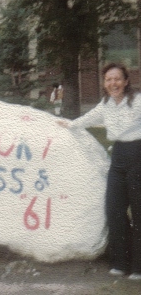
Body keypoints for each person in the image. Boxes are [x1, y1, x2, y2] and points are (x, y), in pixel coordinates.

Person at [58, 63, 141, 280]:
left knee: (139, 212)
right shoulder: (105, 104)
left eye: (117, 79)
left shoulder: (138, 101)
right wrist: (66, 125)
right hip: (119, 157)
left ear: (125, 81)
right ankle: (121, 263)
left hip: (138, 155)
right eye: (108, 80)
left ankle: (139, 267)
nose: (113, 83)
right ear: (105, 83)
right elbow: (86, 120)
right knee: (114, 210)